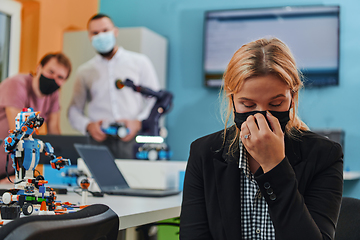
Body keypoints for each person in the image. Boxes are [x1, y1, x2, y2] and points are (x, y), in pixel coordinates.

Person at [179, 37, 343, 240]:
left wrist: (275, 166)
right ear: (232, 99)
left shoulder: (324, 155)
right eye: (248, 105)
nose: (260, 117)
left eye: (275, 104)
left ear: (292, 97)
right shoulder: (203, 153)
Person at [68, 13, 160, 159]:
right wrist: (88, 126)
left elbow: (155, 99)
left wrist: (138, 122)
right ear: (89, 37)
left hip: (133, 140)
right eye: (95, 33)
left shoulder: (139, 62)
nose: (101, 36)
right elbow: (73, 110)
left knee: (135, 179)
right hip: (98, 141)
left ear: (115, 31)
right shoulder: (84, 71)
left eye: (105, 30)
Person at [0, 52, 72, 179]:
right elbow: (19, 132)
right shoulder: (16, 85)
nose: (54, 79)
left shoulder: (53, 95)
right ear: (39, 68)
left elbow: (54, 133)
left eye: (60, 77)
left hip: (12, 170)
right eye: (51, 72)